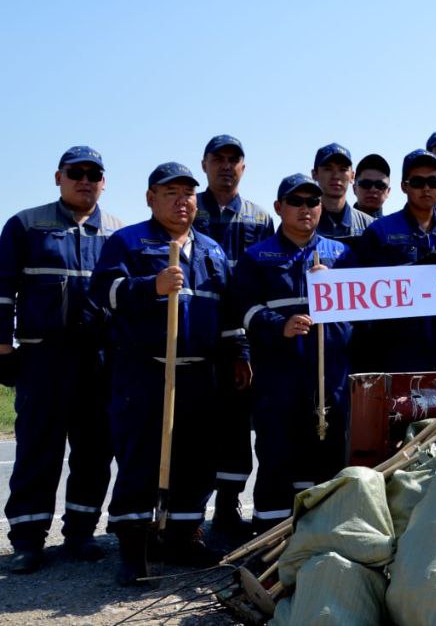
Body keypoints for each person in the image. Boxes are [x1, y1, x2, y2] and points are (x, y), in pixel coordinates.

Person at [90, 162, 250, 585]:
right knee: (141, 458)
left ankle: (182, 536)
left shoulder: (212, 250)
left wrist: (238, 352)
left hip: (200, 373)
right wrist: (151, 286)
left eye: (189, 194)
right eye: (171, 193)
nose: (183, 201)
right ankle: (135, 548)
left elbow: (229, 311)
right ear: (150, 198)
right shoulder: (127, 241)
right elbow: (102, 294)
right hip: (146, 372)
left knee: (196, 460)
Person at [0, 146, 122, 574]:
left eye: (94, 173)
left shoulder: (117, 233)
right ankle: (28, 540)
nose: (85, 179)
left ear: (104, 181)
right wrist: (2, 346)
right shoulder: (25, 225)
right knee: (38, 447)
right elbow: (2, 290)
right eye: (76, 172)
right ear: (58, 177)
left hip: (98, 358)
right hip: (43, 355)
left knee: (94, 448)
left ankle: (81, 533)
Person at [234, 174, 354, 533]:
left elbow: (362, 312)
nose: (306, 209)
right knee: (278, 456)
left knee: (329, 457)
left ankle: (322, 539)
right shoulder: (257, 257)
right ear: (279, 208)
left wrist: (332, 285)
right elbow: (242, 307)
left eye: (313, 202)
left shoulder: (342, 254)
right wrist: (277, 325)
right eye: (296, 202)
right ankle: (270, 540)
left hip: (331, 375)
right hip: (279, 378)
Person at [192, 134, 275, 536]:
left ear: (244, 167)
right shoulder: (190, 210)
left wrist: (246, 346)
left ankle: (227, 507)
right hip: (195, 338)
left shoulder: (261, 219)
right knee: (193, 429)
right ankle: (185, 516)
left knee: (236, 429)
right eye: (218, 159)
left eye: (234, 160)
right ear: (205, 165)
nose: (226, 166)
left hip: (242, 342)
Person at [357, 150, 436, 371]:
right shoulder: (379, 231)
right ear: (404, 186)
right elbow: (366, 290)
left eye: (433, 181)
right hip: (397, 351)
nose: (426, 188)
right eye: (417, 181)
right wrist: (416, 270)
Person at [312, 143, 374, 241]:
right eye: (328, 169)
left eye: (343, 169)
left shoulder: (370, 226)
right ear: (314, 174)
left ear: (352, 176)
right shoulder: (302, 225)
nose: (336, 176)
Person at [353, 153, 392, 219]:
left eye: (380, 185)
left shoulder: (395, 228)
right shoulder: (335, 226)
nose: (373, 189)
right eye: (366, 184)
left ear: (388, 192)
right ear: (354, 189)